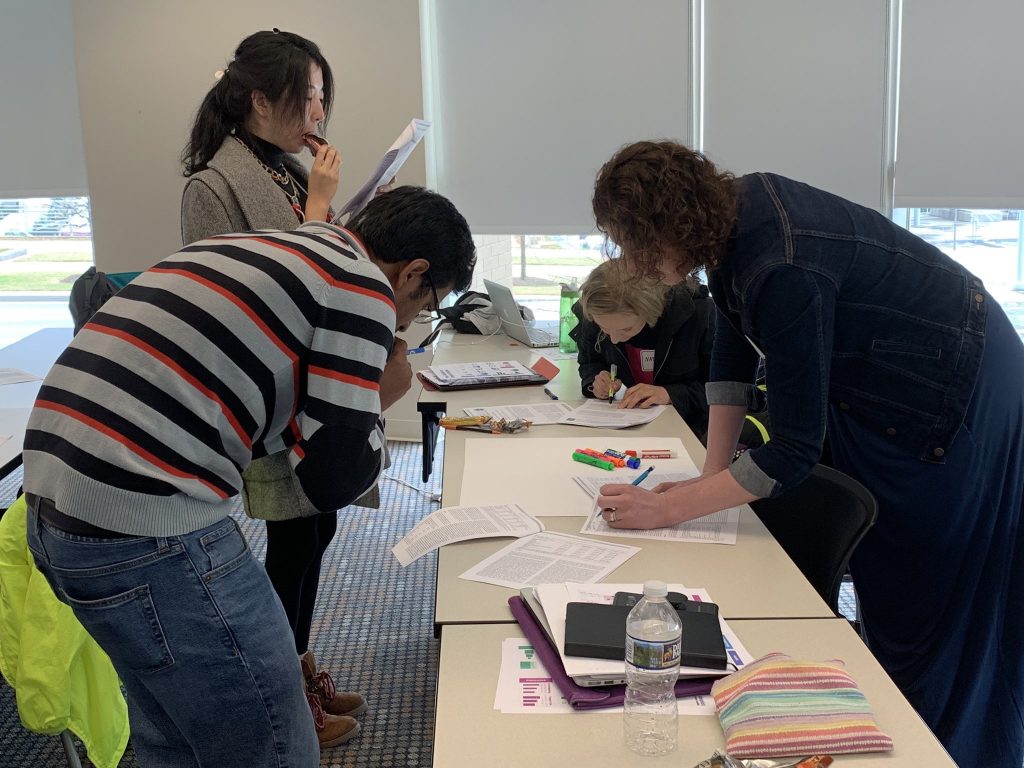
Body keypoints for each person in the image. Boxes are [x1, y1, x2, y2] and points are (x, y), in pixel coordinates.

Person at [589, 140, 1024, 767]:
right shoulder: (730, 227)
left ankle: (946, 750)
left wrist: (672, 510)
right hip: (891, 390)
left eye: (636, 244)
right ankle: (901, 728)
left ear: (672, 226)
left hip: (956, 396)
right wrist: (705, 485)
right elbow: (733, 355)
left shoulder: (781, 263)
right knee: (889, 586)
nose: (630, 262)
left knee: (934, 601)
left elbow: (790, 452)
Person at [23, 186, 476, 767]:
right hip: (147, 525)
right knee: (276, 742)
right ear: (414, 273)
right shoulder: (363, 288)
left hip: (52, 507)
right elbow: (331, 481)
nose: (414, 318)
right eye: (429, 303)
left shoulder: (264, 247)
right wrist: (378, 401)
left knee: (176, 735)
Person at [179, 29, 369, 748]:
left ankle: (298, 662)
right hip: (265, 390)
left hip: (311, 379)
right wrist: (320, 212)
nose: (318, 110)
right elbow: (235, 295)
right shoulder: (214, 184)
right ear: (259, 99)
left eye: (323, 95)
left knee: (316, 526)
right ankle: (286, 697)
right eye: (306, 95)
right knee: (292, 536)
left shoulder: (287, 168)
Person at [570, 258, 714, 439]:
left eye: (626, 329)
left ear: (650, 312)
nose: (613, 339)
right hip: (631, 429)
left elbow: (725, 390)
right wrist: (596, 380)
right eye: (604, 329)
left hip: (693, 430)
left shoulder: (701, 317)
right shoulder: (595, 313)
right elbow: (590, 361)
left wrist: (670, 394)